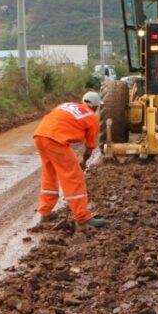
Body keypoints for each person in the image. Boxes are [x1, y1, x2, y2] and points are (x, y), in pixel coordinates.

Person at [33, 92, 106, 228]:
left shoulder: (67, 105)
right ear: (96, 106)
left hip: (40, 135)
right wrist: (84, 162)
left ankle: (45, 213)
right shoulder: (92, 117)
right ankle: (83, 218)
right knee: (74, 177)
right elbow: (89, 147)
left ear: (83, 101)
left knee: (49, 175)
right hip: (55, 141)